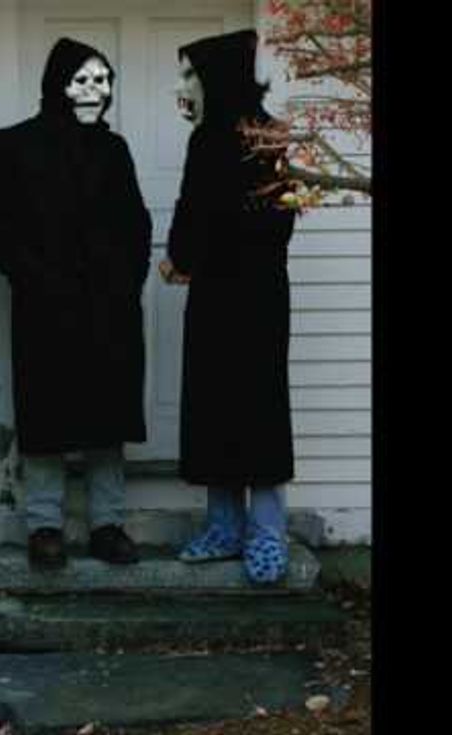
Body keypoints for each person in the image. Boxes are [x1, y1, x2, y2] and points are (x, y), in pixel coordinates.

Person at [0, 37, 152, 569]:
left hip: (109, 306)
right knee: (46, 416)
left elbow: (136, 224)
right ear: (58, 83)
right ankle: (44, 526)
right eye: (83, 80)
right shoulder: (9, 146)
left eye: (104, 80)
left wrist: (126, 282)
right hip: (44, 306)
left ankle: (107, 525)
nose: (96, 90)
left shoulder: (113, 149)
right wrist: (36, 280)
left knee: (107, 416)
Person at [159, 29, 297, 585]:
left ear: (217, 78)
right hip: (217, 296)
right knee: (215, 405)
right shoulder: (206, 139)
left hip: (257, 295)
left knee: (259, 409)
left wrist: (187, 256)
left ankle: (266, 533)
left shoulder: (268, 137)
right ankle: (223, 528)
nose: (182, 85)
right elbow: (191, 210)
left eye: (190, 74)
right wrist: (182, 256)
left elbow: (275, 221)